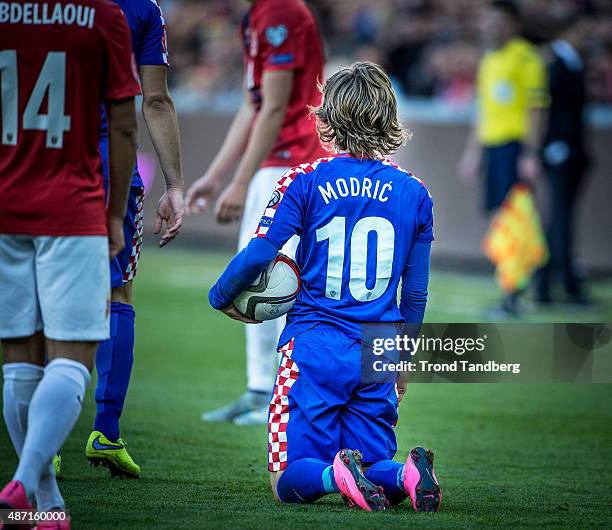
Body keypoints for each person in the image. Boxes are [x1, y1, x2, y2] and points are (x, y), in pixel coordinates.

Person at [208, 62, 441, 512]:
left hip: (315, 344)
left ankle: (335, 473)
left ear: (327, 119)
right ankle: (408, 474)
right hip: (380, 348)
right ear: (389, 118)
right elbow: (415, 294)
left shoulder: (303, 179)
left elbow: (259, 255)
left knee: (288, 479)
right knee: (373, 464)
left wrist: (219, 297)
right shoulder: (416, 192)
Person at [0, 0, 139, 525]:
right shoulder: (104, 17)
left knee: (19, 359)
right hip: (72, 205)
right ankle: (21, 480)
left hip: (6, 205)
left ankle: (47, 504)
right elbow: (124, 128)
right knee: (71, 358)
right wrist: (114, 213)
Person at [186, 0, 326, 425]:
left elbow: (275, 107)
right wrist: (216, 176)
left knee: (271, 277)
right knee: (265, 278)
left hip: (292, 163)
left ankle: (276, 393)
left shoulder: (280, 11)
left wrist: (241, 181)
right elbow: (253, 105)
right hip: (275, 163)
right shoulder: (257, 15)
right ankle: (260, 389)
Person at [84, 0, 185, 480]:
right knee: (117, 292)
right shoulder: (142, 9)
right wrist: (176, 185)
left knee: (42, 295)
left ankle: (39, 445)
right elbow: (156, 99)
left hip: (43, 160)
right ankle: (105, 431)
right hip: (111, 164)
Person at [458, 0, 549, 315]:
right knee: (500, 219)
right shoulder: (489, 60)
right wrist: (474, 152)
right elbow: (483, 110)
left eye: (498, 21)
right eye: (488, 21)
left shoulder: (526, 58)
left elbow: (536, 108)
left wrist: (530, 152)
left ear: (513, 24)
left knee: (516, 219)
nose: (492, 27)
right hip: (493, 148)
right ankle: (514, 289)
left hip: (514, 147)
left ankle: (518, 294)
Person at [535, 17, 592, 305]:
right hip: (561, 151)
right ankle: (558, 284)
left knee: (560, 220)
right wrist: (553, 145)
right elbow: (545, 108)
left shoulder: (570, 61)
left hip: (571, 150)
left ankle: (547, 283)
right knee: (559, 219)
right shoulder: (555, 63)